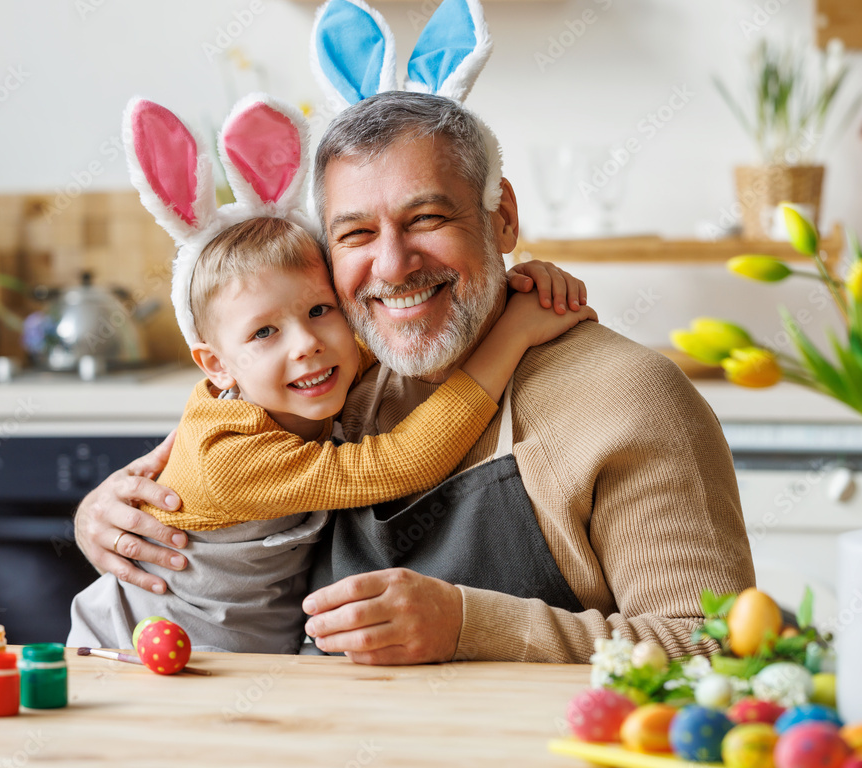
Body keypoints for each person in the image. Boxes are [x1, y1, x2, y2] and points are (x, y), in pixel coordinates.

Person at [67, 95, 596, 653]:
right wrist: (513, 333)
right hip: (131, 653)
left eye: (320, 311)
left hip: (245, 667)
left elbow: (406, 324)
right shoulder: (228, 454)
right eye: (264, 333)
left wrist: (513, 281)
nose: (308, 347)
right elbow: (400, 462)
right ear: (217, 365)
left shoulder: (317, 371)